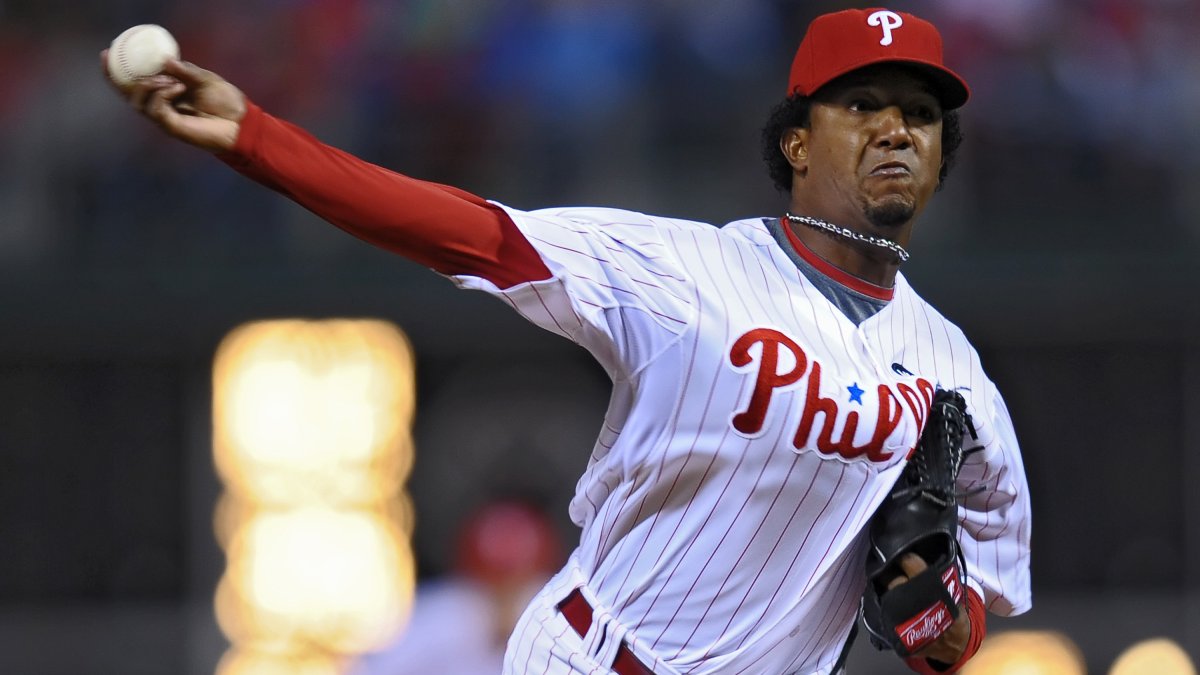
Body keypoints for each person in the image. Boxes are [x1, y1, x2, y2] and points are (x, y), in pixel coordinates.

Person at [105, 7, 1031, 674]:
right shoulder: (682, 271)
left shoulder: (959, 378)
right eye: (860, 104)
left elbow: (962, 630)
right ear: (796, 143)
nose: (893, 128)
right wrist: (258, 140)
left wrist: (934, 606)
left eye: (917, 112)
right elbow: (470, 233)